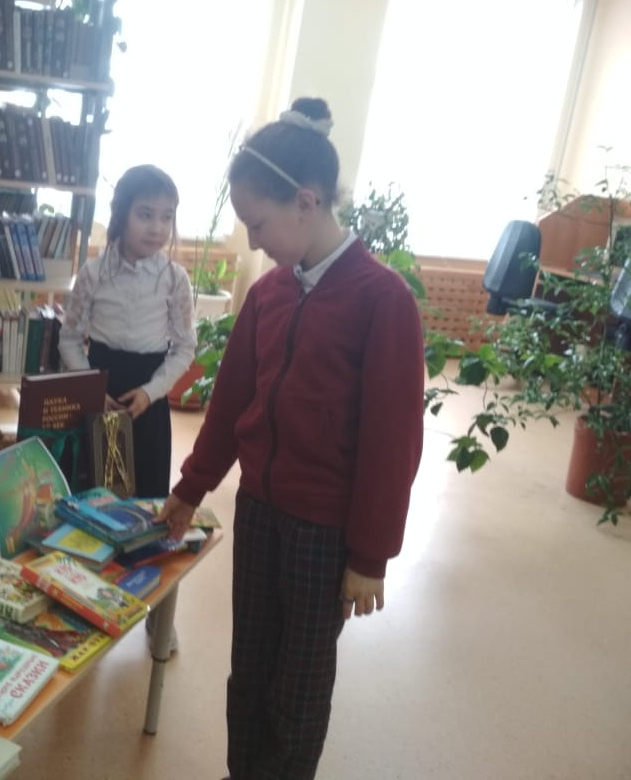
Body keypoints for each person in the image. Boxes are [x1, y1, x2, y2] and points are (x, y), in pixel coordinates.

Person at [157, 98, 425, 779]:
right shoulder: (270, 293)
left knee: (297, 687)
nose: (252, 242)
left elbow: (392, 445)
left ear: (306, 202)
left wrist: (370, 554)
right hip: (260, 512)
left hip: (322, 533)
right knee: (248, 670)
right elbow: (231, 403)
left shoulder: (383, 299)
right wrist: (191, 488)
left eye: (258, 224)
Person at [59, 164, 197, 500]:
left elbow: (184, 348)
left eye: (167, 217)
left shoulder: (175, 278)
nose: (157, 227)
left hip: (148, 397)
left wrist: (151, 392)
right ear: (122, 214)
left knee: (146, 495)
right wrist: (92, 389)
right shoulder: (94, 272)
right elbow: (70, 339)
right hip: (101, 389)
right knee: (95, 492)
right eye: (145, 215)